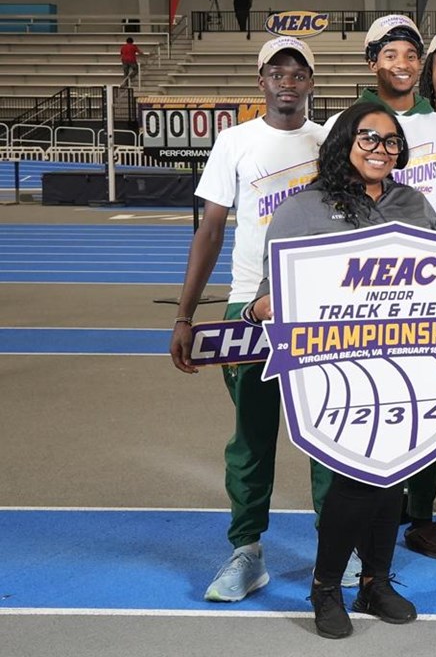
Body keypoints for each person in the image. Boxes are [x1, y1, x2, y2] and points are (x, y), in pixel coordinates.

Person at [248, 101, 436, 638]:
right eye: (369, 138)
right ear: (343, 143)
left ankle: (375, 582)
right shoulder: (303, 209)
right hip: (332, 369)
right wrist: (264, 306)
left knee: (393, 476)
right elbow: (270, 292)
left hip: (404, 365)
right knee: (357, 477)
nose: (381, 149)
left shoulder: (414, 203)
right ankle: (326, 586)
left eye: (391, 141)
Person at [168, 36, 325, 603]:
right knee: (252, 438)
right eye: (276, 71)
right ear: (261, 81)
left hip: (319, 310)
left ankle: (336, 549)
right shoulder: (235, 142)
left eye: (297, 71)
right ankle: (247, 551)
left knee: (326, 435)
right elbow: (209, 230)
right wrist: (186, 314)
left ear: (311, 81)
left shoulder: (330, 141)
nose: (287, 80)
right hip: (248, 309)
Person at [321, 13, 436, 560]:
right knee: (357, 398)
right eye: (390, 55)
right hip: (358, 287)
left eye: (411, 55)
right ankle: (351, 512)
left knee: (424, 396)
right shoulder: (345, 121)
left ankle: (419, 514)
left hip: (426, 286)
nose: (402, 65)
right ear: (371, 62)